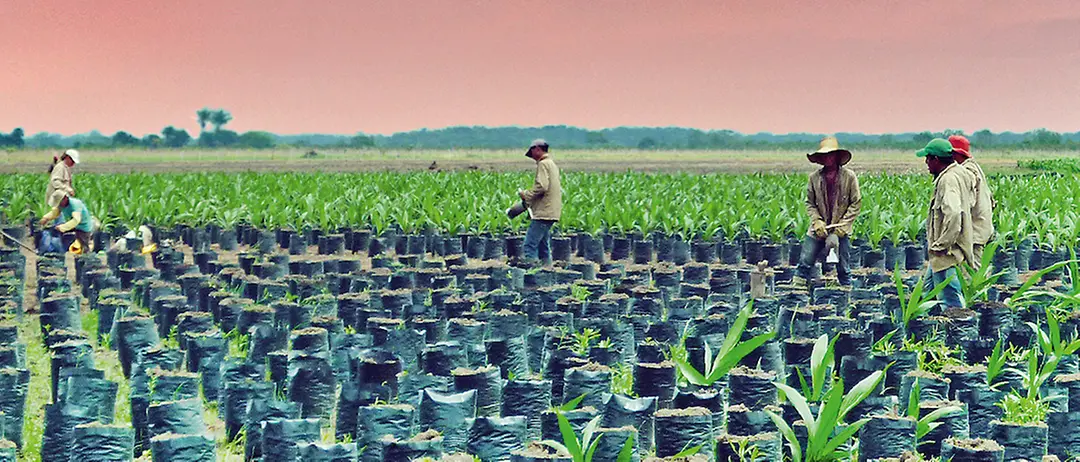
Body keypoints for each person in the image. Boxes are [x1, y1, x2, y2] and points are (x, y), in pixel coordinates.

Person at [917, 138, 976, 310]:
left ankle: (959, 330)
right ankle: (927, 326)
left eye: (928, 158)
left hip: (947, 252)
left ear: (936, 159)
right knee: (927, 291)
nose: (926, 163)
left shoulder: (947, 180)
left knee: (950, 298)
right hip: (944, 251)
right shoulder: (960, 172)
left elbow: (954, 213)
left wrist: (942, 244)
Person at [795, 136, 862, 286]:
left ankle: (846, 296)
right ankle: (796, 294)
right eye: (824, 155)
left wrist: (843, 227)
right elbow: (810, 203)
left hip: (841, 229)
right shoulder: (814, 178)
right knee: (805, 262)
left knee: (843, 268)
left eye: (830, 155)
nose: (828, 158)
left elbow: (855, 203)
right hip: (819, 228)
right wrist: (817, 221)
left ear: (837, 157)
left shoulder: (849, 177)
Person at [949, 135, 994, 260]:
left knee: (972, 274)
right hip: (979, 228)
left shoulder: (967, 171)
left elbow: (968, 202)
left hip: (975, 232)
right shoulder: (973, 167)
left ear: (956, 154)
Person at [518, 139, 561, 267]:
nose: (532, 157)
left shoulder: (543, 164)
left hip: (544, 212)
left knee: (529, 245)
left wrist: (526, 195)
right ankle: (547, 272)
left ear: (537, 149)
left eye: (532, 151)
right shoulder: (551, 163)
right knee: (543, 246)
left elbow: (542, 186)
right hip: (551, 211)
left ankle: (533, 275)